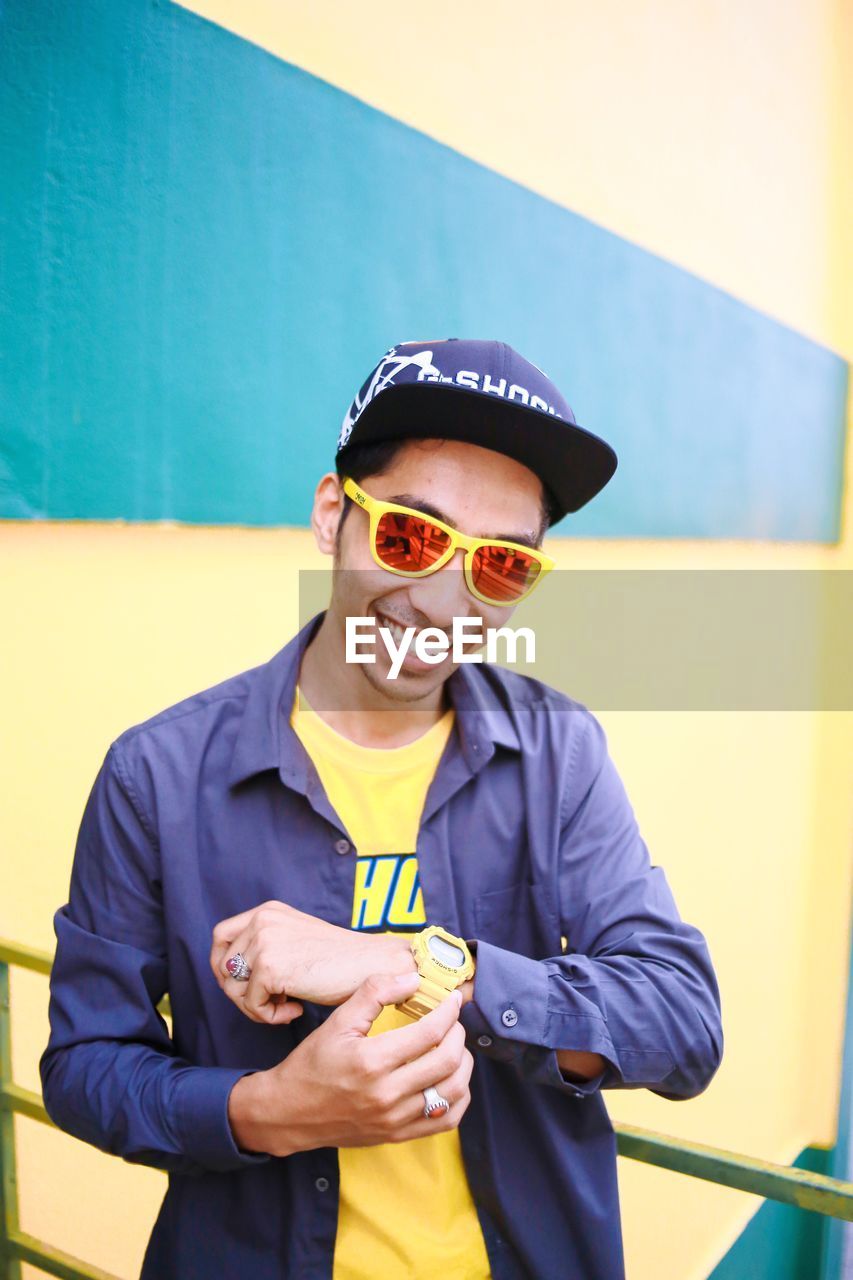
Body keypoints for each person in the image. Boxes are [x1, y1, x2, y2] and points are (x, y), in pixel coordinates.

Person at [40, 339, 723, 1280]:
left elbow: (682, 1022)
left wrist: (405, 964)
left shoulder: (560, 752)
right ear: (333, 516)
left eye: (498, 568)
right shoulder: (155, 774)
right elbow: (84, 1069)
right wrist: (273, 1109)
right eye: (410, 537)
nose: (444, 601)